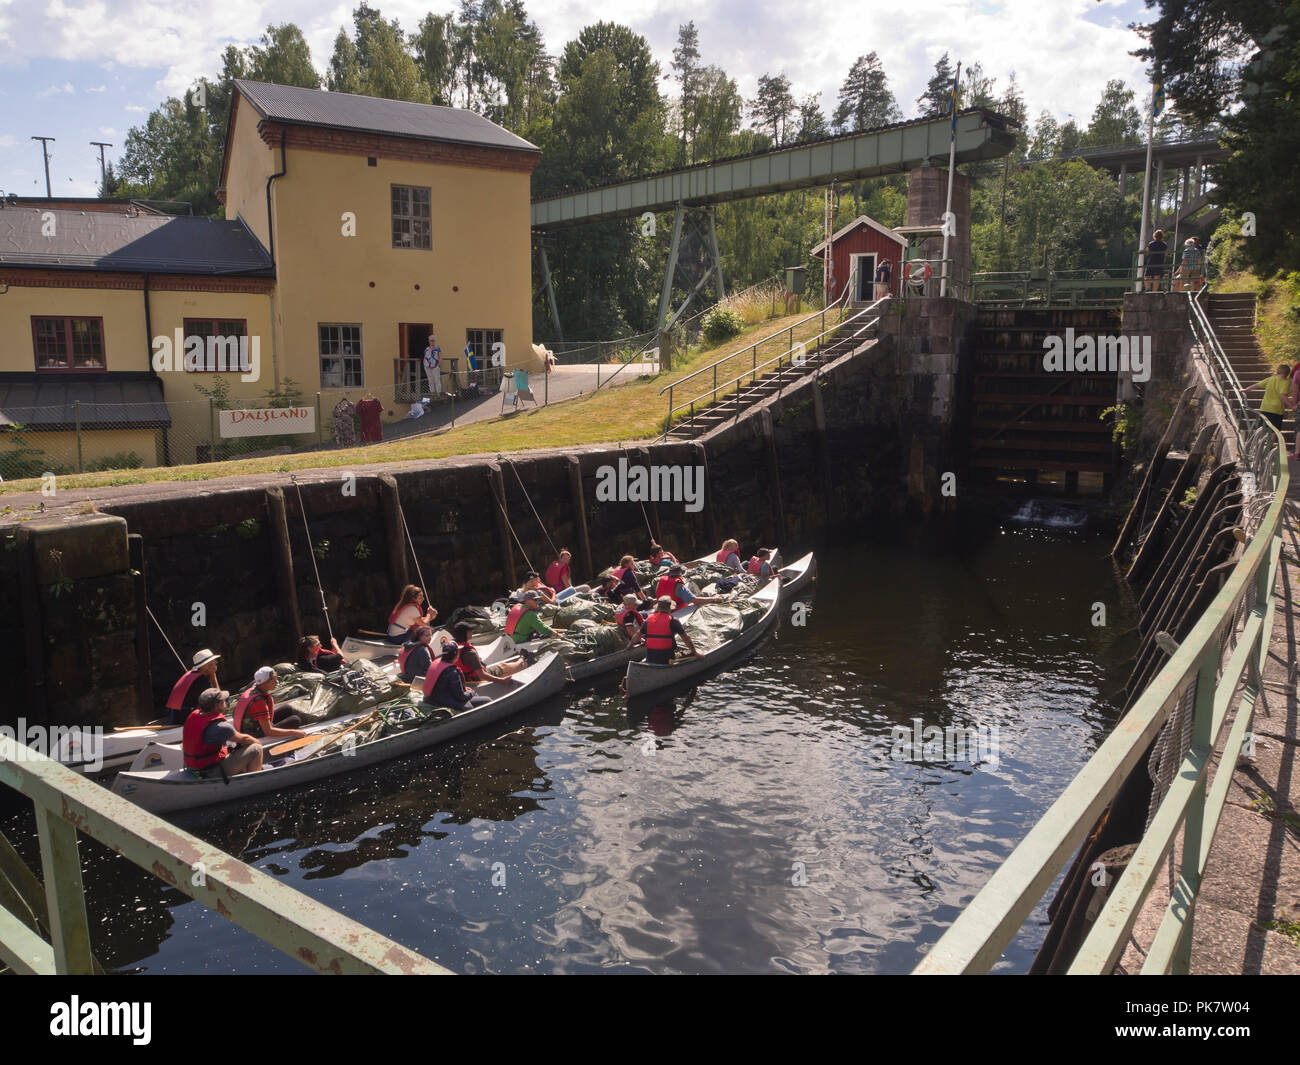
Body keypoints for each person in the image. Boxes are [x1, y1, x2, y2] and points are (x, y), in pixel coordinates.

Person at [182, 687, 263, 778]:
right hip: (209, 771)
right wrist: (258, 742)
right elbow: (245, 739)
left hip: (192, 767)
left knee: (235, 747)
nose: (226, 702)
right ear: (218, 705)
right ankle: (252, 782)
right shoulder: (221, 727)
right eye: (224, 700)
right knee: (256, 748)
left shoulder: (194, 715)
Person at [233, 667, 307, 742]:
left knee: (288, 708)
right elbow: (268, 731)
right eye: (273, 680)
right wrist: (294, 732)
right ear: (265, 683)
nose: (277, 682)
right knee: (295, 720)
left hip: (253, 725)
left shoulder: (252, 689)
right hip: (254, 733)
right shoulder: (259, 702)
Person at [422, 640, 491, 711]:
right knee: (487, 700)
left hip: (432, 699)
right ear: (456, 654)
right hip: (442, 702)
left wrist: (466, 690)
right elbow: (461, 697)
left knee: (472, 694)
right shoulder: (452, 672)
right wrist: (472, 692)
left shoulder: (436, 663)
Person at [164, 648, 222, 725]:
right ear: (205, 665)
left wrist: (212, 674)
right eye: (213, 661)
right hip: (183, 717)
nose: (216, 662)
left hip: (177, 714)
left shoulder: (192, 674)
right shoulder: (201, 680)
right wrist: (213, 675)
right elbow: (218, 698)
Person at [452, 622, 527, 681]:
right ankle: (522, 659)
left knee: (501, 665)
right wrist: (502, 681)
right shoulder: (470, 653)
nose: (472, 631)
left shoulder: (452, 649)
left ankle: (522, 660)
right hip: (477, 679)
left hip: (466, 678)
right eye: (469, 630)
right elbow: (482, 676)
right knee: (505, 666)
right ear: (465, 634)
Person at [642, 596, 698, 666]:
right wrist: (695, 653)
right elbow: (686, 639)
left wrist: (629, 647)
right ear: (669, 608)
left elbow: (637, 635)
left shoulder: (648, 620)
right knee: (692, 652)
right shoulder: (673, 620)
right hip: (668, 659)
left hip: (650, 658)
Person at [653, 564, 724, 610]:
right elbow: (695, 601)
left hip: (661, 608)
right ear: (680, 574)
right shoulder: (678, 585)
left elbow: (658, 595)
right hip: (674, 610)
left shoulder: (661, 581)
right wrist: (714, 598)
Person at [1247, 364, 1292, 435]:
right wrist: (1292, 405)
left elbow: (1258, 385)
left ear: (1278, 371)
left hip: (1265, 407)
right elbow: (1283, 396)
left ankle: (1260, 442)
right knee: (1275, 430)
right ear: (1287, 373)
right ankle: (1270, 444)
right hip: (1276, 409)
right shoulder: (1285, 382)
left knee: (1263, 427)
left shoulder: (1271, 379)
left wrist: (1246, 389)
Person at [423, 333, 442, 398]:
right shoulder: (426, 349)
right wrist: (425, 365)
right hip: (428, 367)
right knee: (430, 380)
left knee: (437, 380)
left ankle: (438, 393)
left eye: (433, 340)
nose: (432, 342)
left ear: (435, 341)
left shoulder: (438, 348)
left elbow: (440, 357)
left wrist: (438, 366)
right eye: (431, 340)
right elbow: (425, 357)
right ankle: (432, 393)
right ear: (429, 341)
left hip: (435, 367)